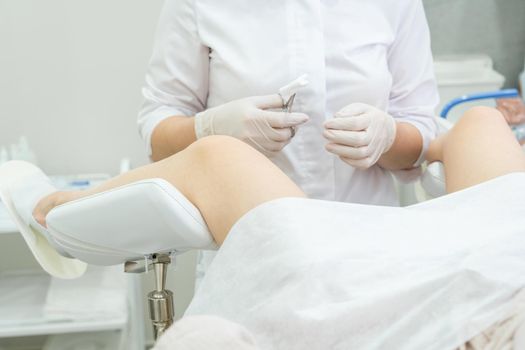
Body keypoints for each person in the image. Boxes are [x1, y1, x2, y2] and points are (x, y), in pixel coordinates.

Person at [1, 106, 524, 349]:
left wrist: (395, 136)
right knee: (482, 120)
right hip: (501, 242)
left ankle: (49, 210)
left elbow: (415, 125)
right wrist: (205, 119)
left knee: (218, 159)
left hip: (385, 283)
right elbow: (160, 132)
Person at [137, 0, 438, 206]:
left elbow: (421, 137)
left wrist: (387, 138)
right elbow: (158, 132)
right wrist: (210, 130)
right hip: (248, 247)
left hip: (366, 243)